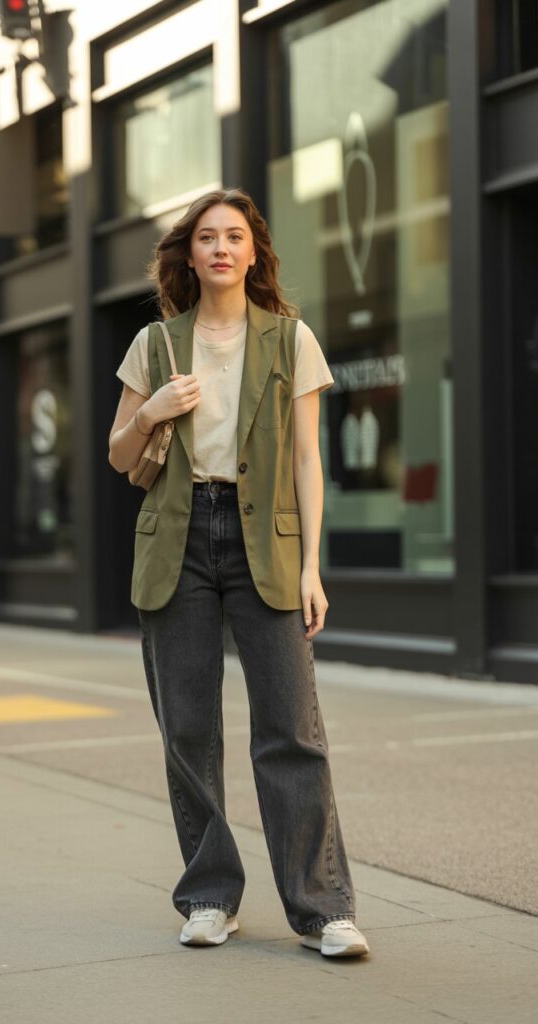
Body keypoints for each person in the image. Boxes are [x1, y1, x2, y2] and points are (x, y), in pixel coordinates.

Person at [108, 187, 369, 960]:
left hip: (267, 541)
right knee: (189, 730)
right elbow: (121, 456)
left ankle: (324, 910)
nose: (221, 248)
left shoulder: (292, 341)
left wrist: (314, 565)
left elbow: (306, 461)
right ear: (188, 254)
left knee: (292, 729)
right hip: (177, 541)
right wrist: (151, 410)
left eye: (235, 237)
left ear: (254, 252)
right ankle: (210, 896)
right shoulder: (154, 344)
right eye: (207, 237)